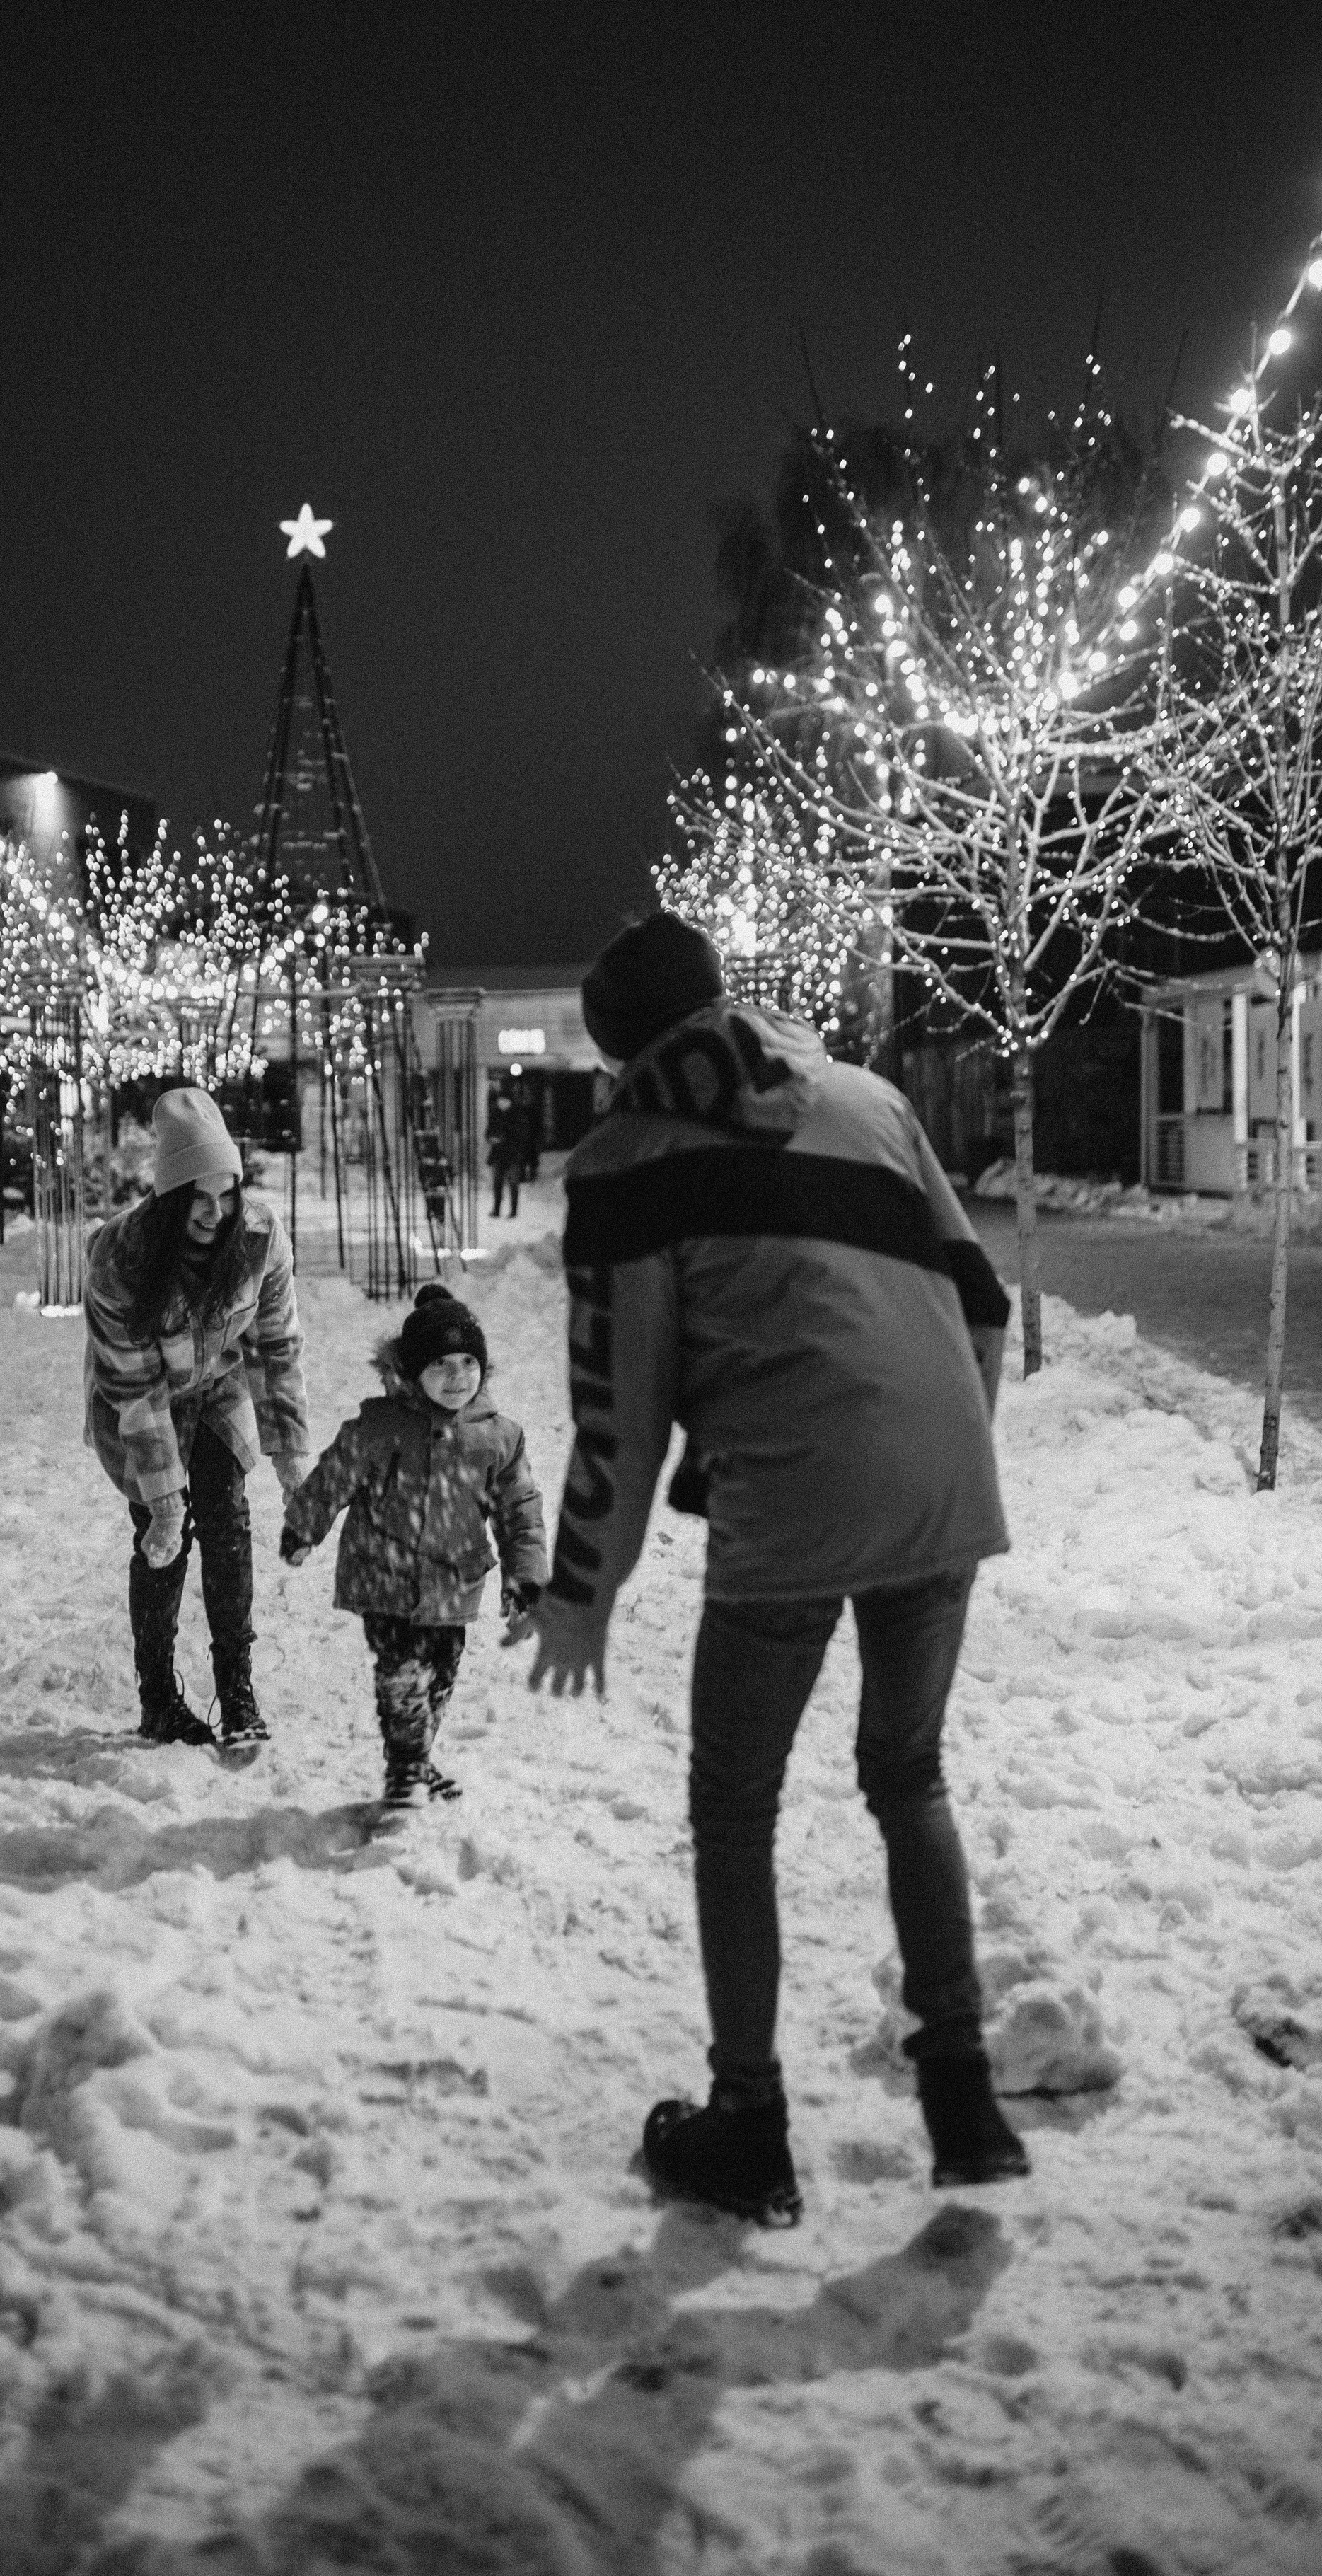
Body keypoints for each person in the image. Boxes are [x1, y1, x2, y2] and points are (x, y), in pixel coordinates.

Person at [525, 909, 1026, 2221]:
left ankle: (748, 2123)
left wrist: (582, 1593)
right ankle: (962, 2094)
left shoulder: (625, 1160)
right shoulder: (867, 1099)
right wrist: (934, 1449)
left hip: (793, 1509)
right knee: (907, 1774)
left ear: (618, 1051)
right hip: (944, 1480)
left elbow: (618, 1414)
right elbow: (985, 1307)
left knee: (735, 1807)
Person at [84, 1087, 310, 1748]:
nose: (215, 1213)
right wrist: (160, 1497)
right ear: (170, 1196)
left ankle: (236, 1690)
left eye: (227, 1194)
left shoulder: (260, 1239)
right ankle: (158, 1697)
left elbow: (277, 1347)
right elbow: (132, 1384)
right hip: (142, 1405)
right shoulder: (119, 1257)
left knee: (228, 1518)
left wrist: (291, 1453)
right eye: (198, 1198)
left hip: (217, 1390)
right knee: (164, 1537)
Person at [280, 1283, 549, 1810]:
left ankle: (419, 1759)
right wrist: (303, 1528)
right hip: (384, 1575)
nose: (457, 1377)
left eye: (468, 1362)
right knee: (401, 1673)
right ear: (411, 1371)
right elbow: (332, 1479)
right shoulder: (378, 1428)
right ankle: (405, 1770)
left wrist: (528, 1578)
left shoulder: (497, 1438)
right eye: (441, 1364)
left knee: (440, 1679)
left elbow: (521, 1512)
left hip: (456, 1580)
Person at [488, 1082, 535, 1218]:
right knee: (512, 1183)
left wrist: (494, 1138)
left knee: (499, 1181)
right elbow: (523, 1133)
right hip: (513, 1152)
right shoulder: (517, 1112)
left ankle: (497, 1209)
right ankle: (512, 1211)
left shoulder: (495, 1111)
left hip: (500, 1152)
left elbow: (489, 1132)